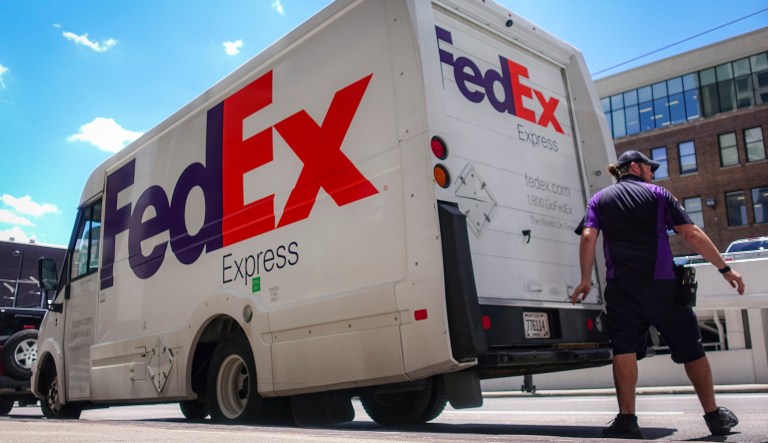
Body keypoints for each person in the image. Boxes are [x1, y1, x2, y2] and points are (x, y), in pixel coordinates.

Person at [570, 150, 745, 439]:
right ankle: (714, 417)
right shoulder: (659, 194)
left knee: (624, 349)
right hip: (663, 286)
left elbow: (589, 236)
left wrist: (586, 280)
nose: (653, 173)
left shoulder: (599, 199)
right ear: (636, 167)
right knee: (692, 349)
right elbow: (690, 232)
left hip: (622, 290)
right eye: (649, 168)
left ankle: (627, 421)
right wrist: (725, 269)